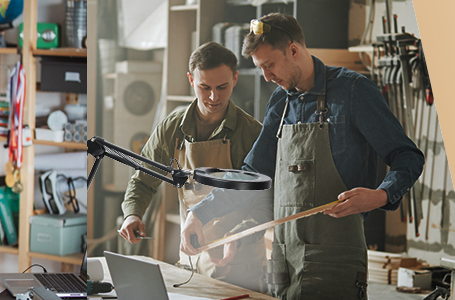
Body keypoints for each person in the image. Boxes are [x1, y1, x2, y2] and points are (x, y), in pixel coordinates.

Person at [180, 13, 424, 299]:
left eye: (269, 65)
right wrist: (200, 213)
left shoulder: (352, 91)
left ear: (293, 50)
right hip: (284, 263)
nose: (266, 77)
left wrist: (382, 195)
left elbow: (408, 156)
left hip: (333, 262)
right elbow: (251, 175)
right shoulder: (281, 102)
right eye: (260, 68)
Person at [119, 42, 266, 291]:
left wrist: (237, 236)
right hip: (192, 260)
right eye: (204, 87)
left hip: (241, 263)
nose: (213, 97)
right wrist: (133, 213)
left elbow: (265, 202)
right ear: (190, 79)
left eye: (222, 87)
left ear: (235, 79)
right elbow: (143, 179)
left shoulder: (252, 133)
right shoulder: (171, 128)